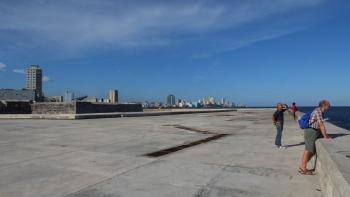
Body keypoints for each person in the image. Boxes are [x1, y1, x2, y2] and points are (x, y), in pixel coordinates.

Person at [299, 100, 331, 175]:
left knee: (312, 150)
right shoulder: (318, 111)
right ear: (324, 105)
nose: (329, 107)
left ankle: (302, 166)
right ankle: (303, 168)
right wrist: (325, 136)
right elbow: (321, 125)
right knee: (308, 150)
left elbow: (318, 124)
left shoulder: (318, 111)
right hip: (311, 131)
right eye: (328, 106)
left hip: (314, 131)